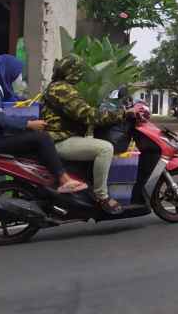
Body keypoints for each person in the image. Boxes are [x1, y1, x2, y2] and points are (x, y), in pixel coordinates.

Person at [0, 55, 87, 193]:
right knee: (42, 138)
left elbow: (7, 108)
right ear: (8, 71)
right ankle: (64, 180)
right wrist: (28, 124)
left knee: (35, 140)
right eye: (18, 73)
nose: (19, 77)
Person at [42, 54, 126, 214]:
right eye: (78, 70)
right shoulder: (61, 89)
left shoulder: (56, 87)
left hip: (61, 137)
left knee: (93, 142)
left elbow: (79, 111)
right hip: (60, 140)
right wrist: (122, 114)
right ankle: (101, 196)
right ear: (71, 71)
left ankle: (86, 189)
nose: (80, 74)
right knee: (105, 148)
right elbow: (86, 114)